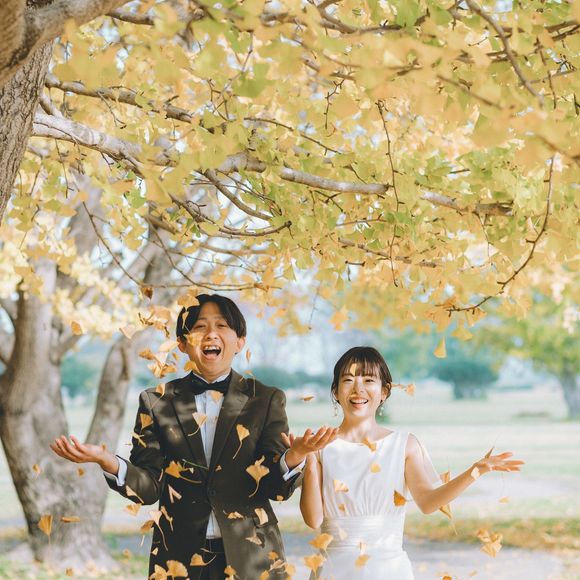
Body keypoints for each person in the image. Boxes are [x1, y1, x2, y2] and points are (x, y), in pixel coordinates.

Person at [51, 294, 334, 579]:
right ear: (182, 343)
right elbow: (148, 489)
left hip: (253, 559)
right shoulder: (155, 402)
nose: (211, 334)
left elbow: (275, 488)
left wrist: (295, 456)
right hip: (178, 559)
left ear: (240, 341)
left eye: (221, 325)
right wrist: (108, 461)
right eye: (199, 326)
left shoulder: (266, 399)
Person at [283, 346, 524, 580]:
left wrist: (475, 471)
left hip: (388, 569)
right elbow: (313, 520)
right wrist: (309, 458)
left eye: (368, 380)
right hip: (335, 569)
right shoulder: (320, 446)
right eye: (348, 380)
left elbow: (428, 503)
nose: (358, 388)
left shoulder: (404, 444)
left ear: (384, 391)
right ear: (336, 391)